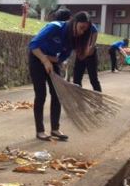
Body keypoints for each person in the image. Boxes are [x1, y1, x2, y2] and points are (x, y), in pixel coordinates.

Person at [28, 11, 91, 141]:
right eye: (81, 28)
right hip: (36, 56)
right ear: (74, 22)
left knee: (57, 94)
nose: (82, 32)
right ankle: (40, 131)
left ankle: (55, 129)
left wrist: (50, 60)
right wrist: (44, 60)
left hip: (50, 60)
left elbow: (61, 58)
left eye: (85, 30)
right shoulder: (55, 27)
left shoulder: (73, 39)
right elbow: (33, 45)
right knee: (41, 95)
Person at [72, 20, 101, 91]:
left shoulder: (90, 26)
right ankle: (79, 98)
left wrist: (92, 46)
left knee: (93, 78)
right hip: (80, 53)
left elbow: (95, 32)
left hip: (90, 54)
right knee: (76, 78)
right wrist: (77, 51)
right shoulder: (74, 27)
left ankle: (98, 98)